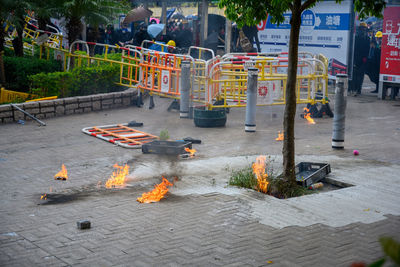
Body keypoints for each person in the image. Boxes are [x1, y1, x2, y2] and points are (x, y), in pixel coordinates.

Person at [351, 22, 370, 96]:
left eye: (364, 29)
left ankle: (358, 89)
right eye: (362, 28)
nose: (363, 30)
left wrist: (365, 57)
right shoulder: (355, 37)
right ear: (360, 29)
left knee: (360, 75)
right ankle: (354, 88)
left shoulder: (367, 38)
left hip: (363, 59)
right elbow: (353, 48)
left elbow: (368, 49)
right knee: (355, 75)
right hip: (355, 58)